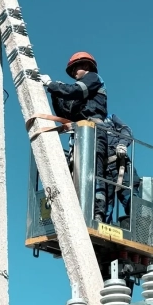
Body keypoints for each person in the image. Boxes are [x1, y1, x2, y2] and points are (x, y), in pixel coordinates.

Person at [39, 52, 109, 223]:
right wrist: (55, 93)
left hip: (93, 130)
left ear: (85, 66)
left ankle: (98, 214)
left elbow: (74, 91)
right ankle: (76, 210)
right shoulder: (81, 95)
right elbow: (65, 113)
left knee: (94, 172)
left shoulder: (93, 78)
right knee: (76, 173)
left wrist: (52, 85)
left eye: (75, 68)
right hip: (80, 134)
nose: (73, 72)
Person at [102, 114, 141, 228]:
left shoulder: (109, 118)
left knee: (133, 202)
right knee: (104, 207)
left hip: (120, 166)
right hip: (102, 172)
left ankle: (139, 230)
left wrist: (122, 144)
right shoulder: (83, 123)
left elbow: (126, 130)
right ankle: (104, 233)